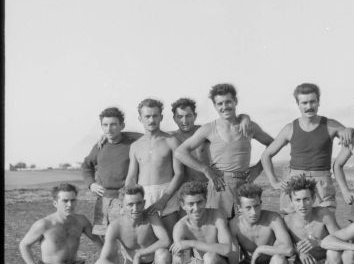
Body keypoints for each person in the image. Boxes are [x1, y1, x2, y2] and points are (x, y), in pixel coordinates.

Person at [18, 183, 124, 264]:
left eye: (73, 200)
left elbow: (97, 240)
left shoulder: (81, 220)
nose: (69, 204)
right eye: (65, 201)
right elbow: (24, 245)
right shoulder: (44, 224)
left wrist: (102, 262)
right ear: (55, 203)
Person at [174, 83, 273, 218]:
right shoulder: (209, 129)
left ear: (235, 101)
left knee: (244, 229)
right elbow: (180, 152)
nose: (224, 107)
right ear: (215, 106)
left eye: (228, 102)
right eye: (219, 104)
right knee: (219, 229)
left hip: (244, 184)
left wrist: (258, 168)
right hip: (219, 185)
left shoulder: (249, 126)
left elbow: (272, 144)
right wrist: (206, 169)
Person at [261, 82, 354, 214]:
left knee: (324, 224)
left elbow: (351, 139)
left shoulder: (330, 125)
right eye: (304, 103)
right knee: (293, 226)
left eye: (312, 102)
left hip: (322, 182)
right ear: (298, 104)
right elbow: (266, 155)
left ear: (318, 102)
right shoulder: (290, 128)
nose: (309, 106)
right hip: (295, 182)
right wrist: (274, 181)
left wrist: (350, 130)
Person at [94, 185, 172, 264]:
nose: (135, 208)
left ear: (144, 203)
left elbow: (166, 241)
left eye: (139, 203)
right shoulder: (115, 226)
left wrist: (139, 254)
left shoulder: (151, 216)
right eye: (130, 204)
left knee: (163, 254)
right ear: (121, 205)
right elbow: (102, 261)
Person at [125, 98, 184, 235]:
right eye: (147, 116)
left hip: (167, 193)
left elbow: (180, 174)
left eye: (155, 116)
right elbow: (132, 176)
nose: (151, 120)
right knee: (145, 238)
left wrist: (163, 200)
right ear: (140, 118)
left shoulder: (171, 141)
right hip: (142, 195)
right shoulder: (135, 146)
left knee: (172, 238)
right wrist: (126, 199)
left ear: (161, 117)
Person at [81, 107, 141, 236]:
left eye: (113, 124)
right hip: (102, 200)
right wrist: (91, 184)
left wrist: (125, 134)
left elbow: (148, 134)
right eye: (105, 125)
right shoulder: (99, 146)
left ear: (122, 125)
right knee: (104, 238)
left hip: (123, 200)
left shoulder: (133, 144)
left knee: (126, 237)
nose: (109, 129)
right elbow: (86, 166)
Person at [170, 97, 253, 185]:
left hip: (209, 184)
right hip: (185, 189)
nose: (184, 121)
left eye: (188, 116)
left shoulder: (205, 131)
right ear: (174, 118)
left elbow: (227, 125)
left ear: (195, 116)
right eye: (180, 117)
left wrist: (245, 118)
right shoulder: (170, 138)